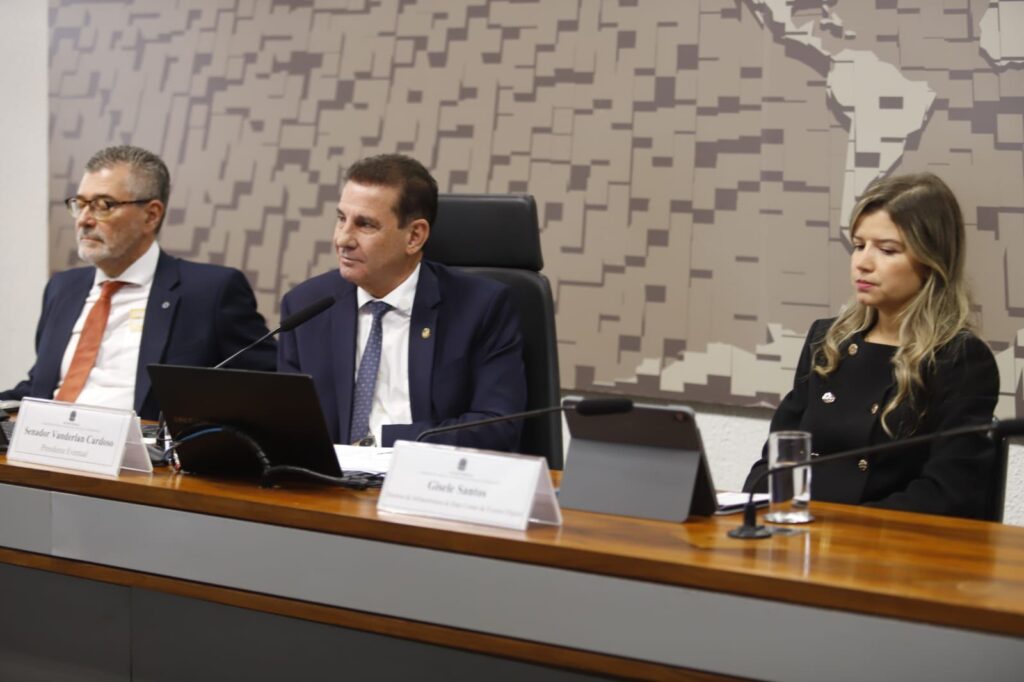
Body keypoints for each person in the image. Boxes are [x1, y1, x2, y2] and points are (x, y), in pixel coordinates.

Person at [743, 172, 999, 519]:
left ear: (931, 262)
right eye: (859, 245)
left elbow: (948, 494)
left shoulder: (959, 359)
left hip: (887, 541)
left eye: (887, 250)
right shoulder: (827, 340)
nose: (863, 263)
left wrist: (841, 528)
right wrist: (751, 506)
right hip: (804, 534)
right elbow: (775, 461)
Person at [0, 145, 276, 420]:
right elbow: (40, 387)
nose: (84, 220)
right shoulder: (62, 288)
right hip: (44, 440)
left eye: (103, 205)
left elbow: (267, 389)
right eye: (80, 204)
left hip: (137, 446)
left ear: (151, 215)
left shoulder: (210, 292)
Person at [278, 154, 526, 450]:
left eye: (365, 225)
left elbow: (497, 427)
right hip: (328, 477)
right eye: (342, 219)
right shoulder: (306, 308)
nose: (343, 239)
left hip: (428, 473)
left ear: (414, 236)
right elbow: (289, 427)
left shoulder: (480, 308)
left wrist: (381, 443)